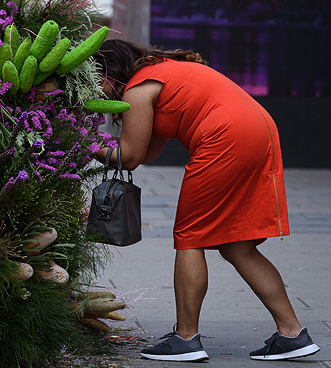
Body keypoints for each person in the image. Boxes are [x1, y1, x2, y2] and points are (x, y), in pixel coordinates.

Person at [93, 39, 320, 362]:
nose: (93, 91)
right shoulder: (162, 74)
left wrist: (81, 146)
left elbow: (127, 158)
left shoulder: (138, 89)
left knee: (189, 237)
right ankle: (292, 333)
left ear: (110, 72)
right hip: (257, 128)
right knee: (237, 246)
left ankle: (186, 339)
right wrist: (109, 147)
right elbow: (143, 152)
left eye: (93, 80)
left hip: (225, 136)